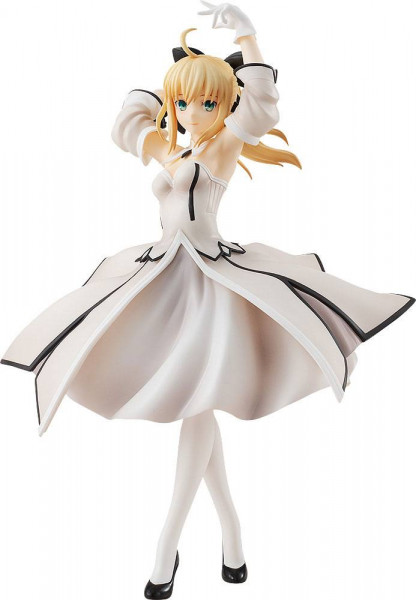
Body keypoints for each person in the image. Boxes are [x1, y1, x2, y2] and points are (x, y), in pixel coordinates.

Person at [1, 2, 414, 598]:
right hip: (162, 277)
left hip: (210, 284)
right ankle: (234, 540)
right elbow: (126, 123)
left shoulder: (222, 150)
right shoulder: (170, 150)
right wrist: (168, 91)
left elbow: (262, 107)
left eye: (208, 104)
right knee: (194, 403)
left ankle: (164, 550)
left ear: (224, 107)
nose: (193, 115)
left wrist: (248, 35)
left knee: (198, 404)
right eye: (184, 104)